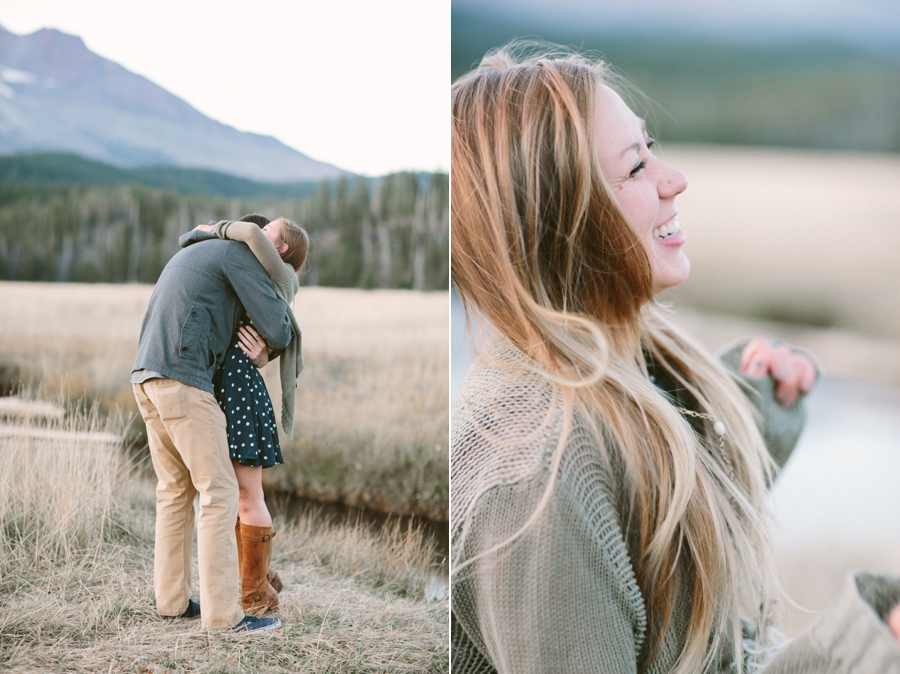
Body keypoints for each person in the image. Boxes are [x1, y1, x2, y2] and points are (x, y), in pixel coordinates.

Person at [450, 44, 900, 674]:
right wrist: (860, 652)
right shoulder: (533, 488)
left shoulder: (628, 380)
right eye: (635, 168)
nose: (673, 179)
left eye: (650, 146)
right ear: (559, 218)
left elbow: (653, 567)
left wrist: (739, 426)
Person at [131, 218, 292, 634]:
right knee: (219, 491)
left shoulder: (195, 248)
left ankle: (172, 602)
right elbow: (278, 327)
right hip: (184, 378)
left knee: (173, 492)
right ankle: (224, 618)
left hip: (145, 374)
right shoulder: (238, 254)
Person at [194, 214, 309, 614]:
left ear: (278, 249)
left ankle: (256, 594)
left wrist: (208, 229)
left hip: (240, 388)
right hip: (231, 386)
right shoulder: (256, 270)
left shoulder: (274, 273)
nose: (259, 233)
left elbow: (277, 331)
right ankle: (256, 575)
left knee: (246, 493)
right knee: (231, 492)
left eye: (268, 231)